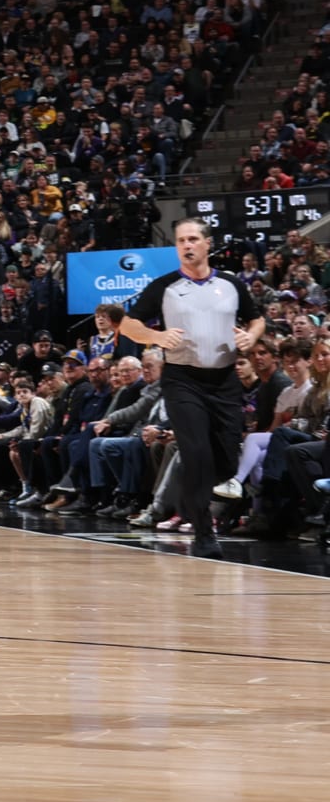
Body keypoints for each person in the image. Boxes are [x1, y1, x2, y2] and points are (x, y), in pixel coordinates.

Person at [121, 217, 263, 559]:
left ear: (207, 243)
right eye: (181, 240)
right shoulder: (164, 286)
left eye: (193, 239)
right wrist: (156, 336)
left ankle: (210, 497)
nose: (186, 245)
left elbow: (256, 318)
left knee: (227, 456)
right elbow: (128, 324)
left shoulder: (231, 284)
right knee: (196, 452)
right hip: (183, 379)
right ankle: (202, 530)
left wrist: (252, 336)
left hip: (225, 380)